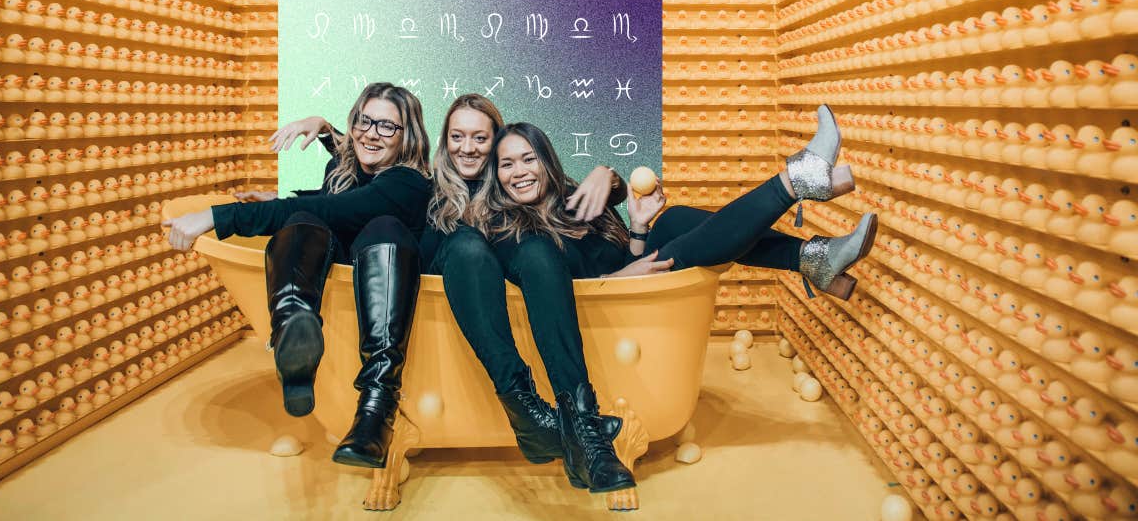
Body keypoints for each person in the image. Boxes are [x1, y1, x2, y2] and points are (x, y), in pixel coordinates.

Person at [468, 105, 877, 489]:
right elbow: (555, 289)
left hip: (631, 287)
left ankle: (812, 256)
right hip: (613, 306)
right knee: (681, 249)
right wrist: (621, 277)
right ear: (495, 176)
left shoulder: (571, 200)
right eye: (506, 164)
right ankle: (799, 186)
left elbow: (617, 253)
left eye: (528, 158)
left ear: (546, 161)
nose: (518, 172)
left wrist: (638, 226)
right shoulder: (508, 228)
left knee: (675, 218)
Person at [274, 94, 628, 484]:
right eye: (457, 136)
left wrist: (608, 175)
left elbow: (576, 206)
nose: (467, 147)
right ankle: (525, 405)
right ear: (444, 140)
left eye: (480, 137)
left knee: (538, 250)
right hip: (437, 282)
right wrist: (328, 131)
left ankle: (582, 428)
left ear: (497, 142)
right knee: (467, 244)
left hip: (494, 285)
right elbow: (373, 163)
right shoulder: (424, 186)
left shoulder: (512, 188)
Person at [162, 82, 431, 469]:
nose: (371, 132)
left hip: (391, 286)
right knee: (303, 220)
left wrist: (218, 216)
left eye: (387, 126)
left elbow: (344, 209)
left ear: (409, 137)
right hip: (347, 280)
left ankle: (376, 408)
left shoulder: (409, 183)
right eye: (364, 120)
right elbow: (336, 197)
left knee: (373, 223)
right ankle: (293, 336)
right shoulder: (345, 168)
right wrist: (324, 128)